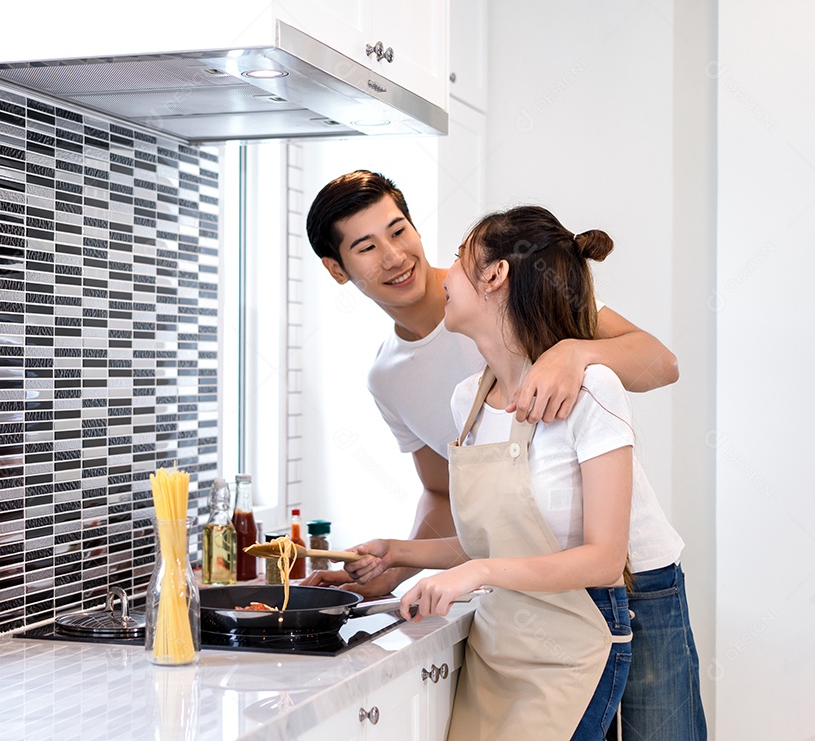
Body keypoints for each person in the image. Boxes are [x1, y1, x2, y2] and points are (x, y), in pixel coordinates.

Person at [302, 172, 705, 739]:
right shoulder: (398, 378)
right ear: (337, 268)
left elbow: (662, 364)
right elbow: (447, 493)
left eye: (398, 230)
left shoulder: (518, 290)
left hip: (632, 577)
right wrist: (398, 562)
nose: (394, 256)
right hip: (533, 593)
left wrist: (575, 352)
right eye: (366, 246)